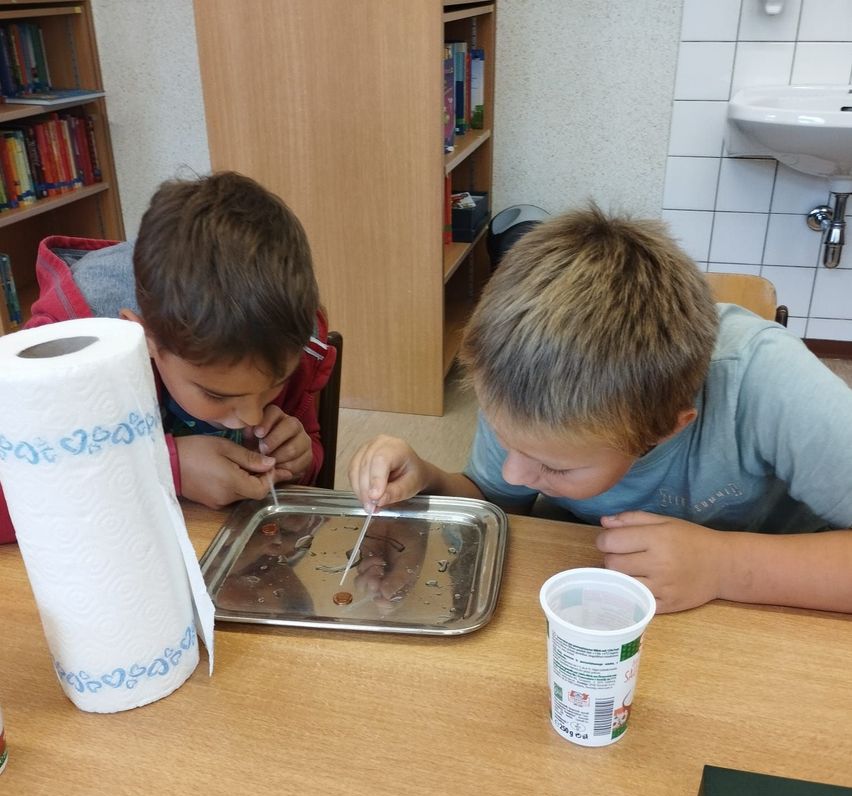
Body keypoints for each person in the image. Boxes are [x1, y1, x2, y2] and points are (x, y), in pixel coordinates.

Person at [348, 206, 852, 614]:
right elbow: (500, 498)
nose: (515, 469)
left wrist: (725, 565)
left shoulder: (768, 381)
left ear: (663, 430)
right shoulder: (519, 374)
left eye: (554, 466)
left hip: (780, 607)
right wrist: (429, 482)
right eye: (507, 441)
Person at [0, 171, 336, 544]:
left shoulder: (279, 335)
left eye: (275, 386)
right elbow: (16, 493)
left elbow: (306, 472)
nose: (254, 416)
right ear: (142, 337)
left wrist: (299, 459)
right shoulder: (67, 353)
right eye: (217, 395)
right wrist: (166, 469)